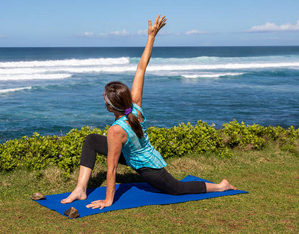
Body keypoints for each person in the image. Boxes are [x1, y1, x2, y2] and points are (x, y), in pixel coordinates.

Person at [61, 14, 236, 209]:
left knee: (177, 188)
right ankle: (80, 189)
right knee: (92, 140)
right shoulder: (134, 105)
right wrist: (151, 36)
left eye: (105, 98)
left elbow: (111, 169)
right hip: (132, 153)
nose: (103, 98)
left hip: (148, 167)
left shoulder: (116, 131)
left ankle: (221, 186)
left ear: (111, 107)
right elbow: (141, 68)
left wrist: (109, 199)